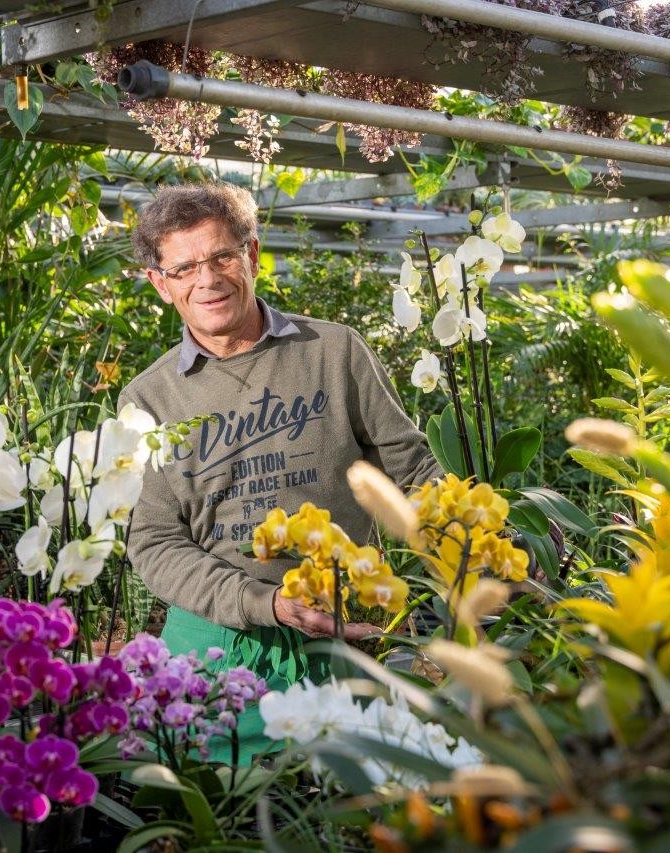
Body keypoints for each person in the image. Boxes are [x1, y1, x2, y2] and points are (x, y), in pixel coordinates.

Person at [117, 182, 441, 760]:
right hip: (217, 642)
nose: (207, 279)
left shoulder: (335, 352)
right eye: (185, 267)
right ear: (160, 284)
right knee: (219, 816)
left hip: (348, 626)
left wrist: (473, 549)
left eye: (222, 256)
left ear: (253, 254)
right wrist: (260, 604)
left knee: (352, 808)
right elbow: (155, 542)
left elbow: (412, 471)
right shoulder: (148, 398)